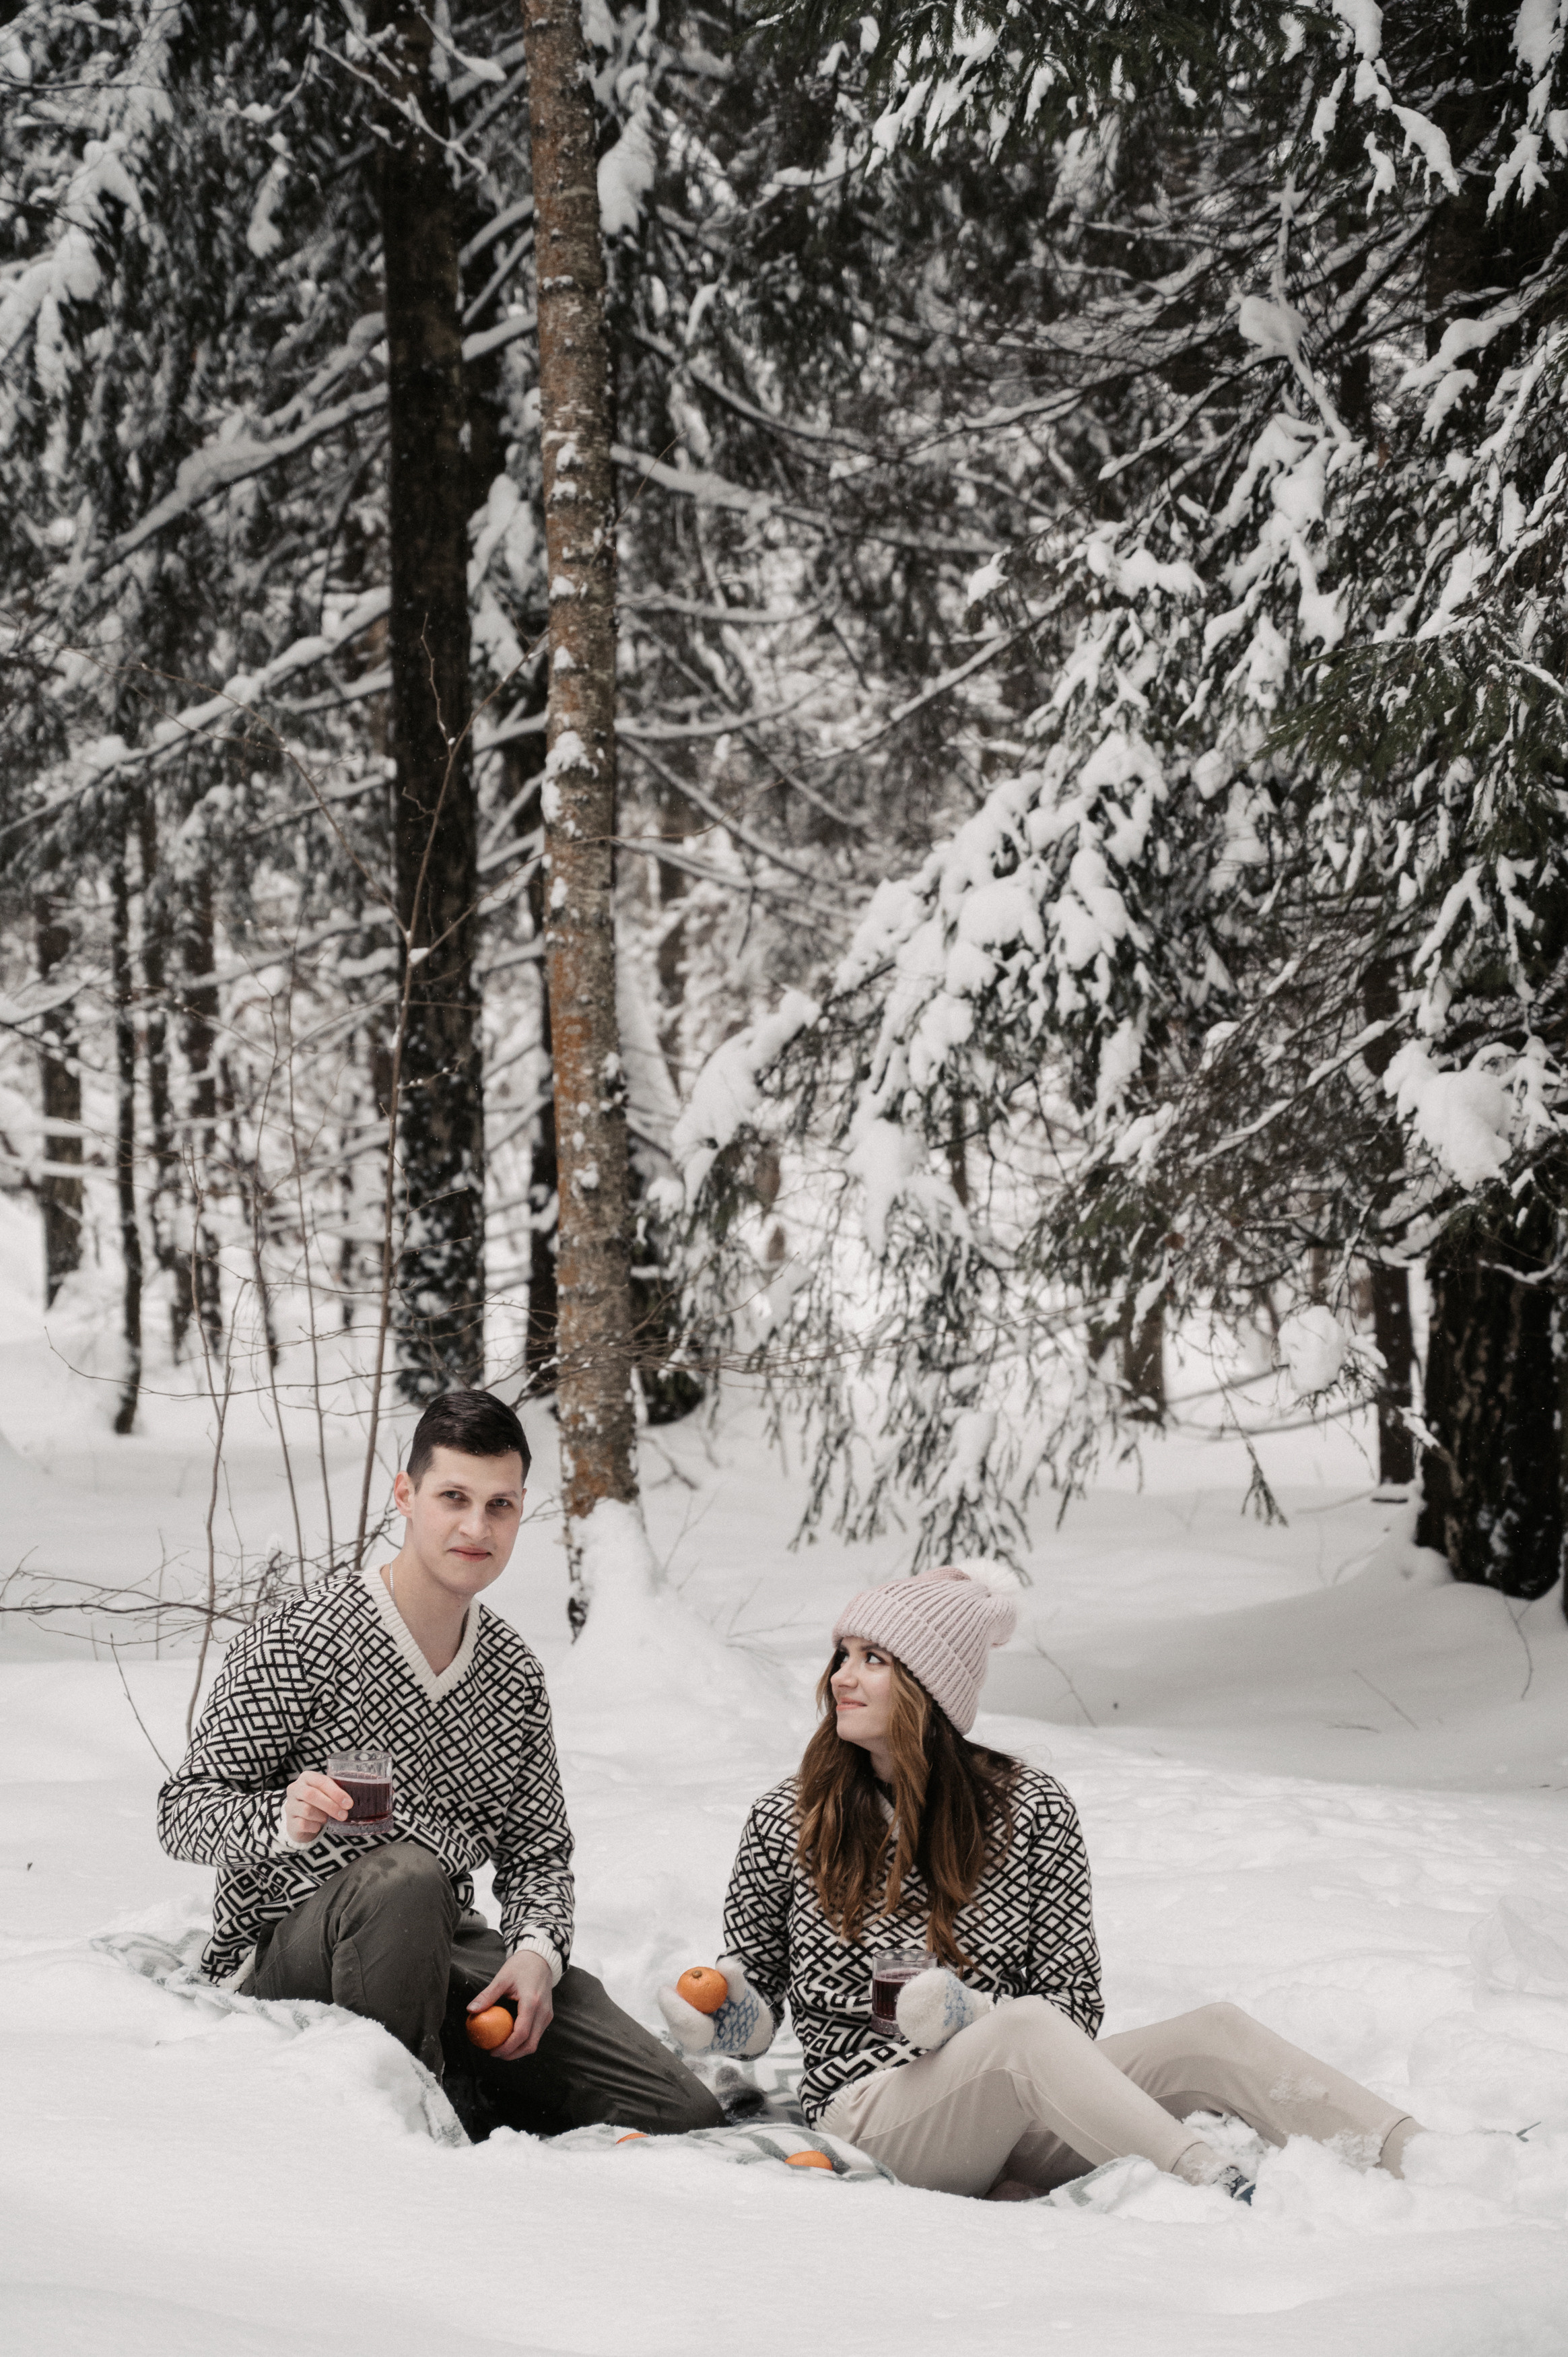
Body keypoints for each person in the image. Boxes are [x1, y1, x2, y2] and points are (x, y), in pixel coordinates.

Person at [658, 1565, 1424, 2201]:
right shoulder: (786, 1816)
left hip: (1019, 2102)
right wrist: (724, 2014)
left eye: (873, 1659)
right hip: (873, 2114)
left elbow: (1072, 2004)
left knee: (1212, 2033)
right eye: (841, 1655)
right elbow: (755, 1992)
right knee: (1021, 2032)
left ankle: (1416, 2155)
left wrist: (968, 2018)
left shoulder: (1030, 1807)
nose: (841, 1678)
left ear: (928, 1685)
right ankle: (1217, 2190)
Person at [158, 1387, 720, 2144]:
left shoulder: (513, 1673)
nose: (475, 1527)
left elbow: (538, 1852)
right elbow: (183, 1812)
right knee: (408, 1876)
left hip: (446, 1949)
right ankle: (417, 2137)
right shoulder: (299, 1638)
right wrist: (280, 1818)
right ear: (406, 1495)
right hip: (290, 1951)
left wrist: (536, 1951)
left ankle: (461, 2082)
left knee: (677, 2110)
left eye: (499, 1505)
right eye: (453, 1497)